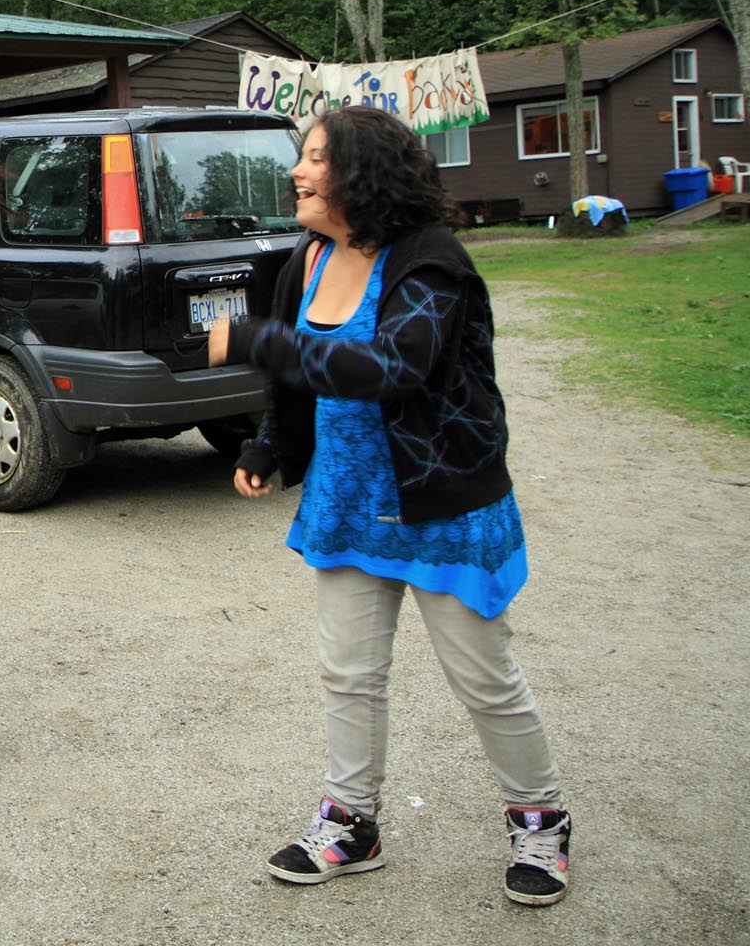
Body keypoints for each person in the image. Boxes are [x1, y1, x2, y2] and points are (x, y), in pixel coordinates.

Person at [208, 105, 571, 906]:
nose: (298, 172)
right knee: (348, 674)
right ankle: (351, 823)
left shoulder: (430, 261)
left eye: (315, 159)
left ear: (361, 174)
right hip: (347, 501)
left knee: (484, 679)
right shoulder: (306, 259)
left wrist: (256, 337)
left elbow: (393, 367)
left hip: (440, 505)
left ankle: (540, 820)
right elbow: (296, 381)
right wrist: (270, 447)